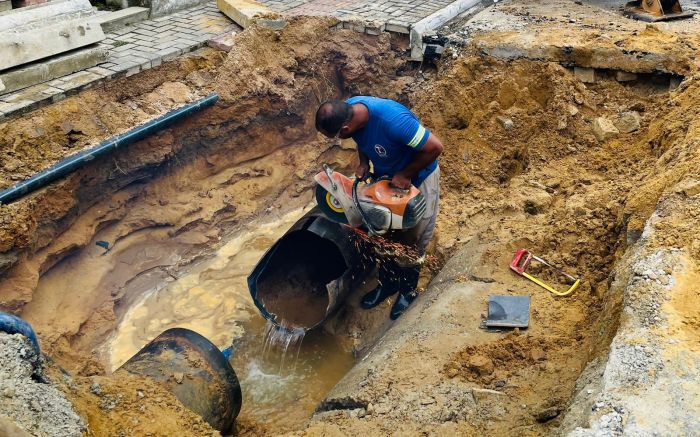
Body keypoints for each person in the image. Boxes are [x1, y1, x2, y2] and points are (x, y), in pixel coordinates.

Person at [315, 96, 443, 320]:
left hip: (418, 177)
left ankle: (407, 290)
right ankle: (388, 283)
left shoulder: (394, 121)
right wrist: (364, 162)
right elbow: (361, 139)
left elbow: (435, 147)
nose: (339, 139)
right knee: (382, 232)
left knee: (413, 237)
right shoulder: (352, 111)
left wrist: (406, 174)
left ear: (345, 127)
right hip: (387, 177)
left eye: (337, 135)